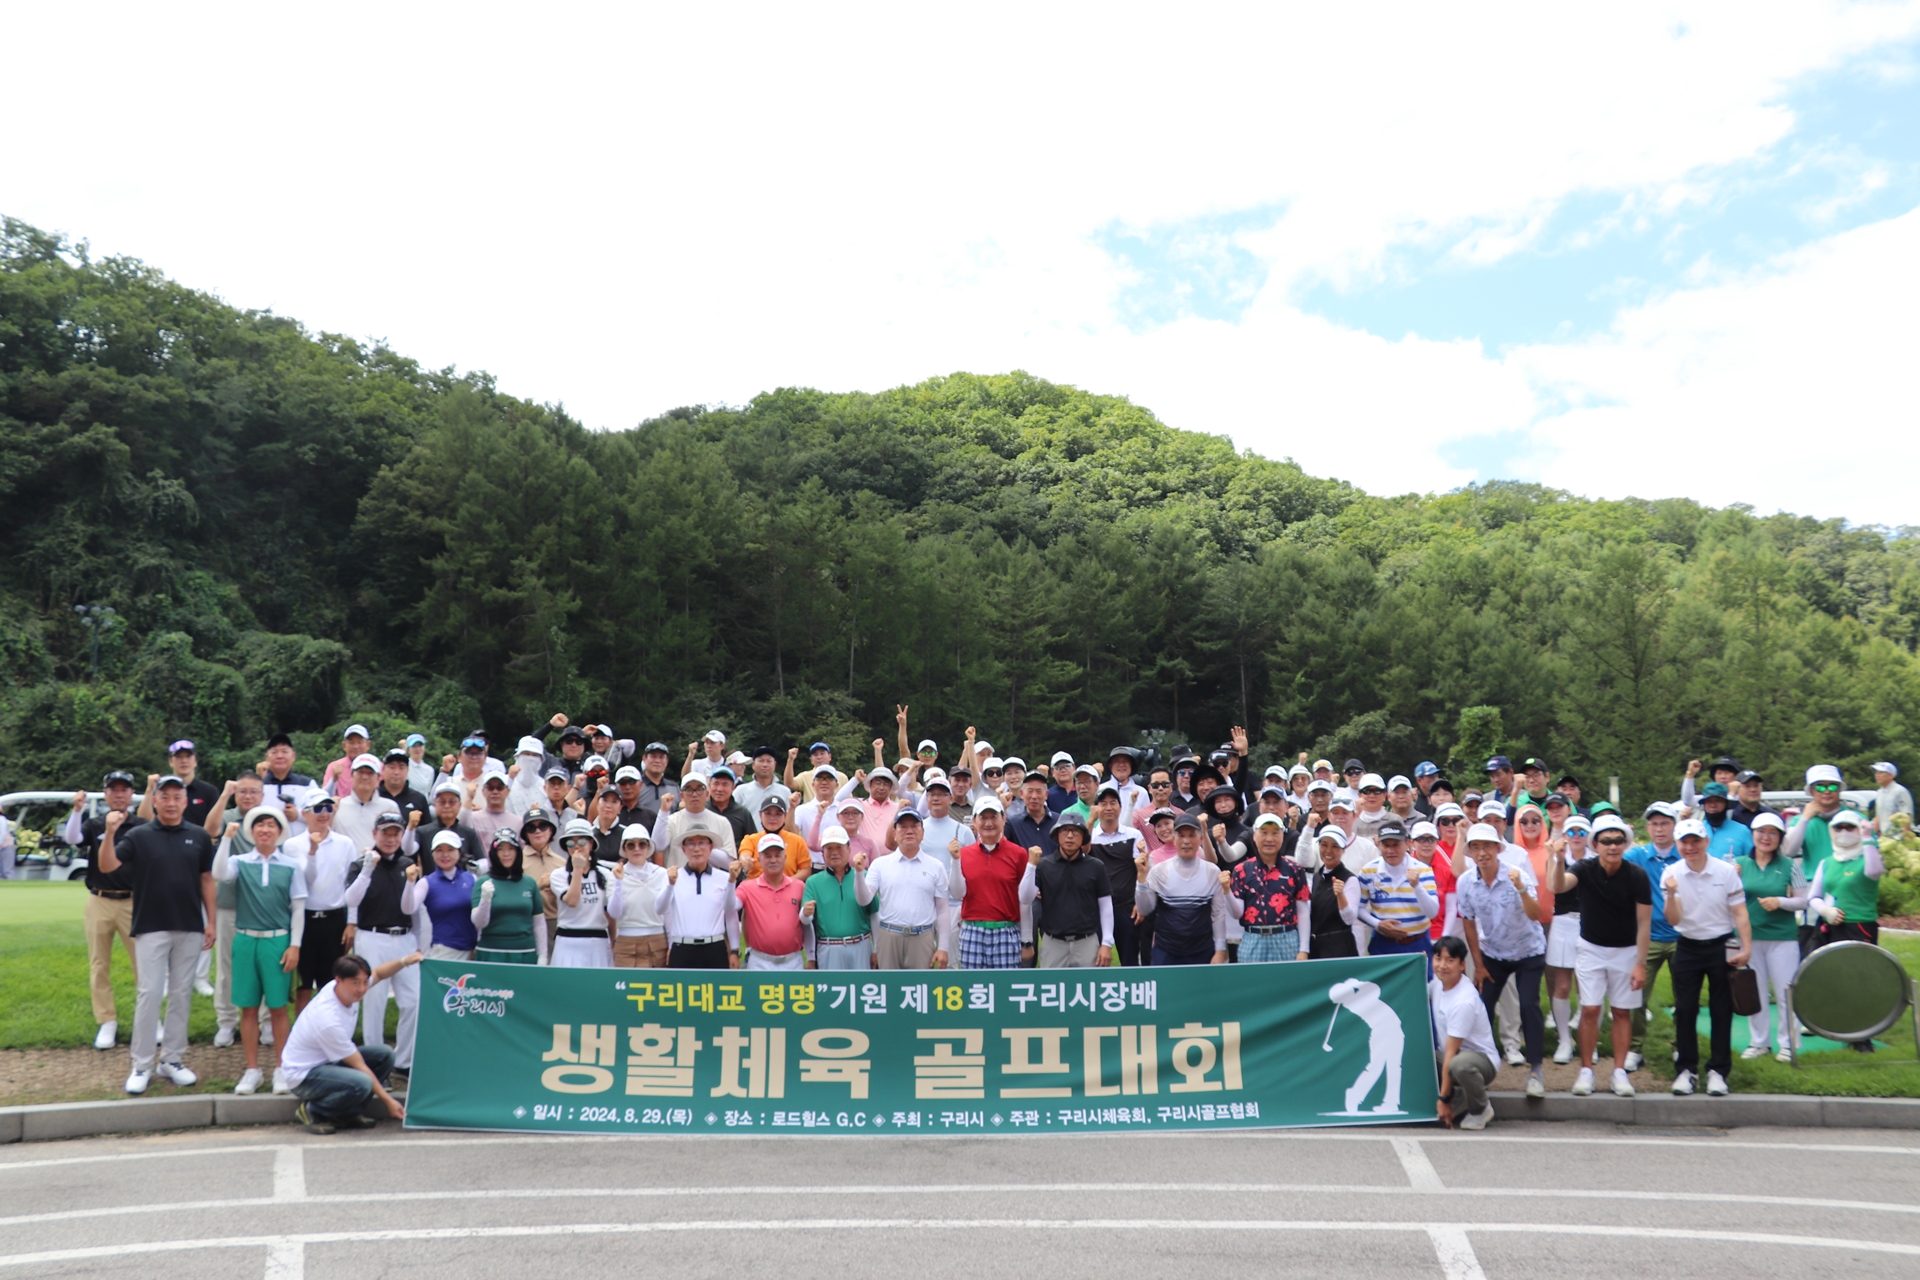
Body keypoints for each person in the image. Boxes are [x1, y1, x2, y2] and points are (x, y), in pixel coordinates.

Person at [96, 776, 215, 1095]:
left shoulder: (199, 836)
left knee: (181, 994)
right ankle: (141, 1064)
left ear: (185, 802)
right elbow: (107, 865)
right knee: (149, 994)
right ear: (156, 800)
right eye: (165, 796)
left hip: (189, 925)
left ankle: (172, 1059)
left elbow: (206, 879)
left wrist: (212, 922)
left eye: (177, 796)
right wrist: (110, 833)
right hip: (150, 926)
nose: (171, 802)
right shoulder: (139, 835)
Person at [213, 806, 304, 1095]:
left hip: (277, 941)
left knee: (278, 1008)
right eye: (260, 825)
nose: (265, 830)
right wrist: (226, 839)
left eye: (271, 825)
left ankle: (282, 1067)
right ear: (252, 831)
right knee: (248, 1008)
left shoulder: (292, 865)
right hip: (245, 939)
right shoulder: (239, 861)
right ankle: (252, 1069)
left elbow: (298, 908)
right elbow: (219, 873)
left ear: (280, 831)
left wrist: (295, 945)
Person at [1454, 823, 1548, 1099]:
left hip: (1528, 951)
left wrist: (1521, 888)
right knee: (1480, 1007)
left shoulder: (1516, 874)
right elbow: (1468, 923)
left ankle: (1536, 1071)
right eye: (1476, 847)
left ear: (1497, 848)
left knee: (1529, 1004)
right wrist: (1479, 964)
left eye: (1487, 846)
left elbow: (1536, 914)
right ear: (1470, 852)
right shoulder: (1466, 882)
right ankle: (1477, 1066)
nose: (1482, 852)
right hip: (1493, 953)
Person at [1661, 817, 1752, 1096]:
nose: (1690, 847)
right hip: (1688, 945)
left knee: (1721, 1009)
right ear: (1677, 844)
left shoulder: (1725, 871)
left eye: (1695, 841)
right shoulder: (1671, 874)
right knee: (1685, 1008)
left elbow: (1740, 912)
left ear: (1706, 842)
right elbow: (1673, 919)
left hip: (1721, 945)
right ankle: (1687, 1070)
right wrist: (1671, 894)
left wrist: (1746, 948)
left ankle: (1718, 1071)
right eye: (1684, 842)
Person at [283, 952, 421, 1135]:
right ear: (338, 980)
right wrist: (389, 1101)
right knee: (362, 1082)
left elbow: (379, 973)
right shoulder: (328, 1020)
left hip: (328, 1062)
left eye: (364, 982)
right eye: (355, 983)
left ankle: (346, 1114)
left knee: (385, 1055)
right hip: (304, 1076)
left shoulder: (344, 991)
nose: (362, 989)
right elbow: (359, 1065)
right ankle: (314, 1111)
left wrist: (404, 961)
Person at [66, 772, 142, 1050]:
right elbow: (72, 838)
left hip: (133, 901)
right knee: (99, 964)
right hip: (99, 898)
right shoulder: (95, 823)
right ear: (106, 794)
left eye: (124, 789)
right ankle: (107, 1021)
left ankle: (149, 1019)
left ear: (131, 794)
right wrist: (77, 810)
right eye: (113, 789)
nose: (119, 794)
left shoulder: (141, 826)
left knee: (143, 965)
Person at [344, 810, 421, 1072]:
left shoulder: (407, 864)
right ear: (374, 834)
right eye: (385, 833)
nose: (390, 839)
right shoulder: (361, 864)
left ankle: (403, 1061)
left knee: (413, 1001)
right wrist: (367, 869)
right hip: (372, 936)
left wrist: (419, 941)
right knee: (374, 1001)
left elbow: (416, 908)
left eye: (395, 834)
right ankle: (376, 1063)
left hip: (405, 937)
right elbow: (351, 899)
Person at [1737, 812, 1807, 1063]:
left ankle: (1788, 1044)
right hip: (1748, 937)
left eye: (1772, 833)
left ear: (1780, 837)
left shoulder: (1790, 866)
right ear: (1753, 834)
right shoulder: (1738, 864)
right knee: (1753, 992)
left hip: (1782, 938)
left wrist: (1781, 902)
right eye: (1761, 832)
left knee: (1785, 991)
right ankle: (1759, 1042)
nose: (1766, 837)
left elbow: (1803, 901)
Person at [1622, 801, 1683, 1071]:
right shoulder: (1636, 856)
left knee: (1684, 998)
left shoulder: (1686, 853)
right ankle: (1635, 1048)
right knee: (1636, 996)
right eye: (1655, 824)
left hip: (1682, 936)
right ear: (1647, 828)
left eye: (1665, 823)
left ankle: (1681, 1045)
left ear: (1674, 826)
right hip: (1647, 937)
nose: (1659, 829)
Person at [285, 790, 357, 1014]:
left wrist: (351, 922)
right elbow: (305, 882)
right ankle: (303, 1032)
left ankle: (331, 1029)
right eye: (317, 808)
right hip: (305, 919)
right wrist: (312, 852)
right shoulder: (293, 845)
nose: (324, 813)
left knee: (333, 983)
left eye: (328, 808)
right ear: (305, 814)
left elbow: (351, 885)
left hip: (335, 920)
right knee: (304, 986)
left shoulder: (345, 843)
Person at [1133, 814, 1228, 965]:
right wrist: (1141, 878)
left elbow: (1218, 914)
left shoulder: (1212, 872)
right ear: (1174, 838)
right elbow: (1145, 910)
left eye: (1191, 835)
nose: (1186, 841)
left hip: (1203, 951)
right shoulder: (1159, 871)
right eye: (1181, 836)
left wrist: (1220, 951)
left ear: (1201, 839)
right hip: (1166, 951)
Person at [1023, 812, 1113, 968]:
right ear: (1057, 835)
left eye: (1076, 831)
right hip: (1053, 943)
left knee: (1089, 984)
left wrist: (1106, 943)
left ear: (1083, 836)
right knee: (1052, 984)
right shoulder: (1044, 865)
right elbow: (1025, 897)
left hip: (1087, 941)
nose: (1070, 836)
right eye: (1065, 830)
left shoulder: (1096, 866)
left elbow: (1105, 905)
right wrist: (1031, 866)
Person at [862, 819, 953, 969]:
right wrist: (859, 874)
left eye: (914, 826)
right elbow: (864, 899)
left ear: (922, 833)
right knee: (888, 983)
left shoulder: (936, 866)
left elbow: (942, 909)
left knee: (922, 983)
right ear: (894, 834)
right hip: (889, 936)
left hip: (922, 936)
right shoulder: (880, 864)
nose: (909, 831)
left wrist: (943, 947)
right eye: (903, 827)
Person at [949, 797, 1028, 969]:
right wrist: (955, 861)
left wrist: (1027, 939)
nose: (989, 823)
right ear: (975, 821)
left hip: (1006, 930)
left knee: (1005, 984)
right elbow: (957, 893)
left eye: (994, 817)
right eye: (983, 818)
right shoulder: (963, 854)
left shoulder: (1018, 854)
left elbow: (1025, 899)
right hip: (972, 930)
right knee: (973, 984)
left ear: (1004, 819)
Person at [1222, 814, 1311, 962]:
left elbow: (1303, 911)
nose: (1269, 839)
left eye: (1275, 833)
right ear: (1254, 836)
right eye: (1264, 832)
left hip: (1286, 938)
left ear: (1282, 836)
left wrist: (1304, 949)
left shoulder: (1295, 869)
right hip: (1253, 938)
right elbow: (1237, 913)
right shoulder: (1242, 870)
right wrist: (1227, 892)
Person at [1431, 936, 1498, 1131]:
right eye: (1438, 958)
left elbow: (1451, 1054)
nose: (1442, 966)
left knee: (1458, 1065)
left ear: (1462, 965)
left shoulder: (1463, 1001)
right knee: (1420, 1053)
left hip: (1481, 1061)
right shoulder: (1438, 984)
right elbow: (1416, 993)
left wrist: (1443, 1099)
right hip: (1453, 1056)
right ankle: (1458, 1097)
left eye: (1450, 960)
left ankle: (1480, 1109)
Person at [1352, 820, 1438, 968]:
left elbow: (1432, 912)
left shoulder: (1423, 870)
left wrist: (1417, 886)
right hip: (1383, 944)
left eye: (1396, 845)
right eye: (1386, 845)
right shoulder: (1368, 871)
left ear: (1407, 844)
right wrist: (1378, 924)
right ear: (1379, 845)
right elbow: (1358, 908)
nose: (1391, 851)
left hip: (1418, 943)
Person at [1544, 814, 1593, 1064]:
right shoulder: (1556, 859)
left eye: (1581, 832)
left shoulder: (1596, 860)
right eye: (1571, 832)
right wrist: (1559, 859)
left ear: (1588, 836)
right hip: (1563, 922)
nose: (1576, 837)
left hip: (1590, 924)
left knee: (1588, 986)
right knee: (1562, 985)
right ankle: (1564, 1040)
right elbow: (1553, 887)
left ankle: (1589, 1039)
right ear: (1564, 836)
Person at [657, 831, 739, 969]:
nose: (696, 849)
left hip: (715, 947)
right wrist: (670, 884)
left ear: (710, 847)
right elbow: (660, 909)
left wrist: (734, 950)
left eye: (702, 843)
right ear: (683, 849)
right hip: (682, 947)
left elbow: (731, 914)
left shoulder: (724, 877)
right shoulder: (673, 876)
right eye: (691, 844)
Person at [1808, 808, 1885, 952]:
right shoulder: (1826, 863)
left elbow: (1874, 872)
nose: (1844, 832)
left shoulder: (1868, 859)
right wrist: (1825, 911)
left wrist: (1867, 838)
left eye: (1850, 827)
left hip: (1860, 926)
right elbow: (1813, 897)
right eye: (1838, 828)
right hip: (1830, 927)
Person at [801, 829, 874, 970]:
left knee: (861, 984)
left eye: (839, 847)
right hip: (829, 948)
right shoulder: (813, 882)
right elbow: (805, 921)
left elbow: (874, 913)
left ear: (849, 850)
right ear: (822, 852)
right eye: (829, 848)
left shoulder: (864, 876)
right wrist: (805, 912)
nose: (834, 852)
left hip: (861, 945)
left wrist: (875, 950)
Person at [470, 829, 545, 965]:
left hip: (524, 953)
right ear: (494, 853)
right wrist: (485, 900)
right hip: (490, 953)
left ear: (517, 851)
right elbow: (479, 923)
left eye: (511, 848)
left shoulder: (529, 883)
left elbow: (539, 923)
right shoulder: (483, 882)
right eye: (501, 849)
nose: (506, 854)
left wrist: (542, 955)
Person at [402, 831, 479, 960]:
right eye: (439, 850)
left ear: (459, 853)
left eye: (450, 850)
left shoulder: (471, 878)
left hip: (472, 949)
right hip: (444, 950)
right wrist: (410, 883)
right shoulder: (427, 882)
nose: (445, 855)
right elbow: (408, 909)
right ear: (432, 854)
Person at [548, 819, 614, 967]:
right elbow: (572, 901)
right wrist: (577, 869)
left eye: (582, 841)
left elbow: (610, 913)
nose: (577, 846)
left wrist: (614, 939)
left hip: (598, 941)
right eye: (571, 842)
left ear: (591, 844)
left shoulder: (605, 874)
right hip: (568, 940)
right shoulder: (558, 875)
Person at [736, 833, 808, 970]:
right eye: (768, 856)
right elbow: (730, 907)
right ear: (759, 860)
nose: (773, 860)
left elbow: (807, 924)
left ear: (785, 858)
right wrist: (731, 881)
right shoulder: (747, 887)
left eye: (777, 855)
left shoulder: (799, 886)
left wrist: (810, 957)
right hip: (760, 961)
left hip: (793, 961)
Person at [606, 827, 670, 968]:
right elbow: (614, 913)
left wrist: (671, 943)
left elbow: (668, 913)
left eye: (642, 844)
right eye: (631, 845)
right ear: (624, 849)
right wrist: (619, 882)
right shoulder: (615, 874)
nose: (637, 849)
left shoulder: (661, 873)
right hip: (626, 941)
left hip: (657, 941)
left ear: (648, 847)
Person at [652, 773, 736, 869]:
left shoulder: (722, 822)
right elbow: (657, 846)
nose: (695, 794)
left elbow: (729, 862)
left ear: (707, 794)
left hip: (711, 877)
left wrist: (702, 847)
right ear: (682, 796)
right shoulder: (671, 821)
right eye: (689, 790)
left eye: (699, 789)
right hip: (678, 877)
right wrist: (663, 812)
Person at [1306, 828, 1362, 958]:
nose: (1328, 851)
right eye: (1324, 845)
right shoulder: (1316, 877)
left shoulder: (1350, 879)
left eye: (1335, 846)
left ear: (1343, 850)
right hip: (1315, 948)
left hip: (1339, 949)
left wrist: (1340, 895)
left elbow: (1349, 919)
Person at [1696, 783, 1755, 862]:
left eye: (1718, 801)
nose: (1713, 805)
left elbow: (1752, 863)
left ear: (1727, 804)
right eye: (1709, 801)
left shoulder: (1742, 831)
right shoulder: (1696, 829)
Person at [1873, 762, 1914, 839]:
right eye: (1876, 772)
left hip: (1899, 837)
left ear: (1891, 775)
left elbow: (1907, 816)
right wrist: (1872, 835)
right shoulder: (1879, 792)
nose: (1877, 775)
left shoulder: (1900, 791)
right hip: (1884, 837)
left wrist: (1905, 837)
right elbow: (1878, 816)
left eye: (1881, 772)